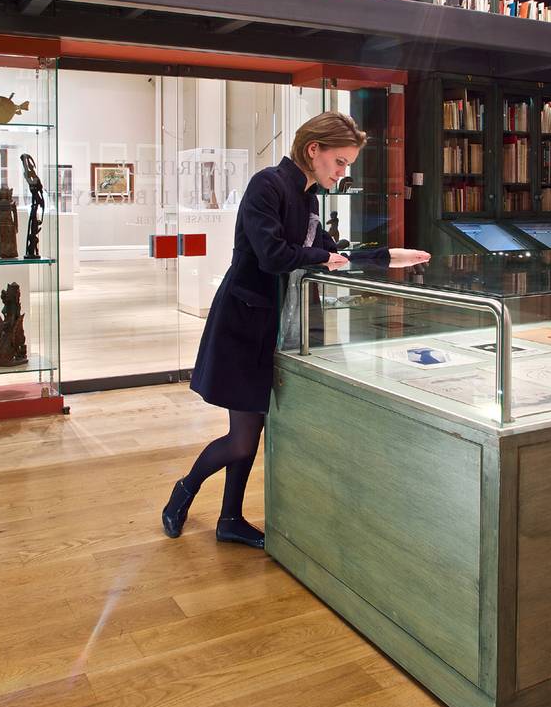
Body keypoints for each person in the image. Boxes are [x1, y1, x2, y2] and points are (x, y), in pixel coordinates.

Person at [161, 111, 430, 548]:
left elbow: (329, 253)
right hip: (242, 324)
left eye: (347, 165)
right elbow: (273, 255)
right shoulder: (266, 184)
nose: (342, 173)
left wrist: (387, 256)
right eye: (339, 162)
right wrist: (323, 257)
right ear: (313, 150)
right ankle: (183, 491)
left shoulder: (308, 199)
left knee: (252, 430)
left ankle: (230, 519)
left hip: (275, 324)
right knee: (242, 439)